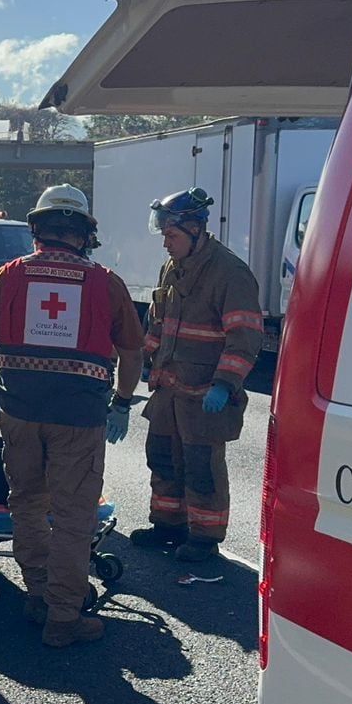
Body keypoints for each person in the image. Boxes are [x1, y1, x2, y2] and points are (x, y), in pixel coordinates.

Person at [0, 184, 144, 648]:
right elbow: (133, 351)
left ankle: (39, 592)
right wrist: (121, 400)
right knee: (75, 514)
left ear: (36, 229)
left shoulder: (5, 277)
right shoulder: (105, 281)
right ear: (83, 233)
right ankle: (63, 615)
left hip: (18, 411)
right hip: (79, 416)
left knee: (28, 503)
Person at [130, 188, 264, 563]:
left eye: (171, 237)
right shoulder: (173, 268)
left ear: (195, 229)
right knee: (162, 459)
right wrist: (143, 360)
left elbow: (245, 337)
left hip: (205, 394)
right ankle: (168, 526)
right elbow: (159, 322)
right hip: (168, 390)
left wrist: (224, 384)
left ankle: (204, 537)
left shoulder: (230, 273)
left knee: (200, 468)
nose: (166, 245)